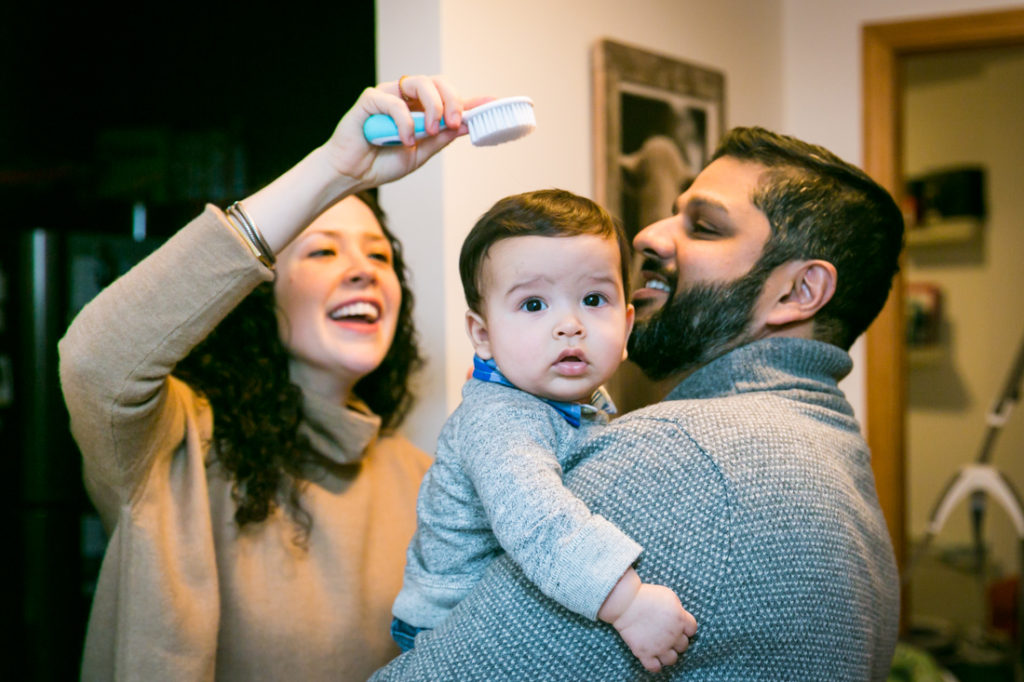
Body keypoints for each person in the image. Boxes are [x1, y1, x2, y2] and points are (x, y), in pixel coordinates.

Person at [372, 126, 904, 680]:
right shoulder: (843, 469)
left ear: (799, 293)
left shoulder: (687, 459)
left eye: (704, 226)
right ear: (481, 331)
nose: (648, 235)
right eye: (532, 304)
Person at [58, 74, 474, 681]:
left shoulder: (425, 480)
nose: (364, 271)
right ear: (255, 292)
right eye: (323, 251)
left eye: (379, 256)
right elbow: (94, 361)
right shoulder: (174, 450)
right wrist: (336, 168)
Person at [390, 189, 696, 672]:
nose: (569, 325)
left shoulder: (577, 400)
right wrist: (627, 602)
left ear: (627, 325)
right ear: (483, 335)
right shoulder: (499, 420)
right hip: (446, 625)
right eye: (533, 305)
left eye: (594, 299)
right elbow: (538, 522)